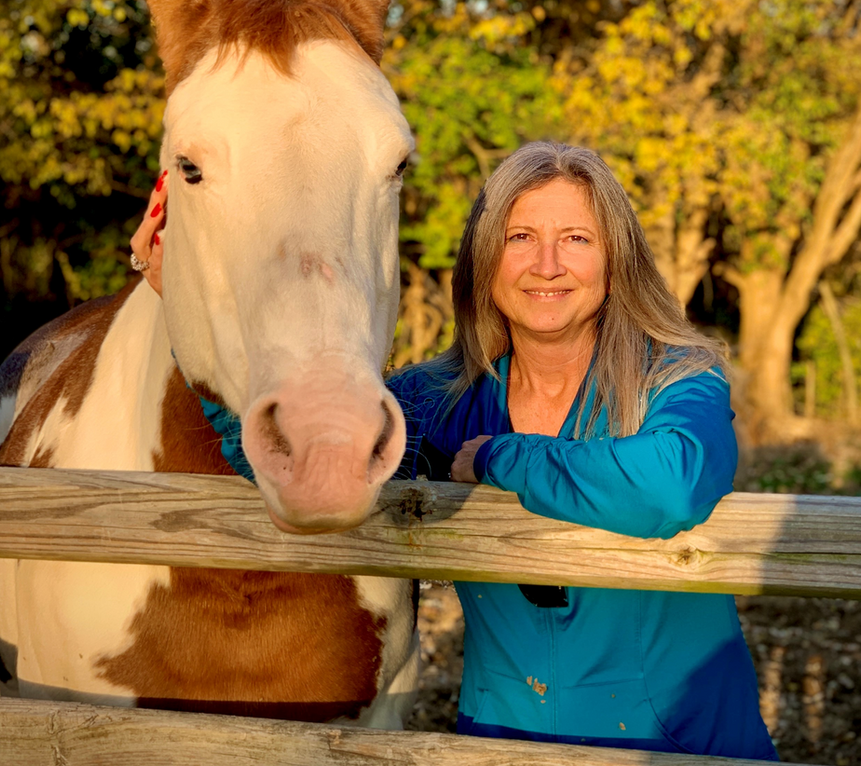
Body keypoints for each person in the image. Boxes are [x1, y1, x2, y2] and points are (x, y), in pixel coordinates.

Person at [130, 142, 777, 759]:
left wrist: (498, 459)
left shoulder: (677, 376)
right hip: (503, 741)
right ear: (483, 259)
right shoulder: (433, 401)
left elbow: (672, 486)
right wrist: (188, 316)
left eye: (576, 239)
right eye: (519, 238)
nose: (545, 263)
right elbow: (291, 461)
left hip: (676, 748)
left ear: (615, 262)